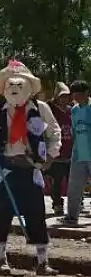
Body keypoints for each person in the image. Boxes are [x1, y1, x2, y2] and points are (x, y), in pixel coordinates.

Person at [0, 60, 61, 276]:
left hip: (31, 169)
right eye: (11, 85)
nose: (15, 88)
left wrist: (49, 158)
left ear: (28, 86)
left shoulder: (41, 109)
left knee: (37, 213)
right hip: (6, 169)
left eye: (20, 84)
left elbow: (54, 134)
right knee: (2, 213)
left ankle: (42, 261)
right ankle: (1, 259)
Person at [63, 80, 90, 225]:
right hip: (79, 153)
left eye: (79, 95)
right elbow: (73, 131)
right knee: (74, 185)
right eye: (74, 95)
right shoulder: (74, 110)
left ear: (86, 93)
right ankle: (72, 216)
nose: (76, 98)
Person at [46, 82, 73, 217]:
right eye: (62, 96)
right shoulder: (50, 110)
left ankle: (75, 204)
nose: (65, 99)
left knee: (72, 180)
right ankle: (57, 204)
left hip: (70, 151)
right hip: (57, 151)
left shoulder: (71, 110)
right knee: (57, 180)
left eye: (67, 96)